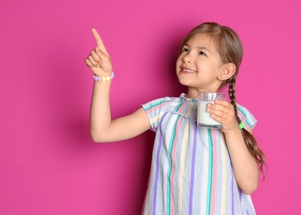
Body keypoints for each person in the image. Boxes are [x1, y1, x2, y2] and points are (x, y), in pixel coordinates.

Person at [84, 22, 266, 214]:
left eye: (201, 53)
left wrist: (231, 129)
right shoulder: (165, 110)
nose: (187, 57)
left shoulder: (237, 116)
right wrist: (103, 78)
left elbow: (249, 184)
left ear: (225, 71)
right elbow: (101, 133)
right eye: (186, 49)